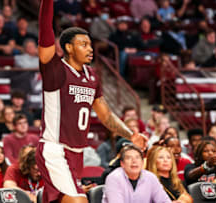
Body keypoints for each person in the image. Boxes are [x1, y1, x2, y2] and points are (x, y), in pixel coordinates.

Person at [36, 0, 147, 202]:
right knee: (79, 200)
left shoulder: (92, 75)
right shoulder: (55, 70)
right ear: (68, 48)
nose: (90, 49)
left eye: (90, 44)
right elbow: (45, 30)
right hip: (55, 150)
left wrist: (130, 135)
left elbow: (105, 114)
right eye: (83, 44)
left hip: (77, 153)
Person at [102, 144, 170, 202]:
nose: (134, 161)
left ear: (143, 162)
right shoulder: (113, 178)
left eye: (137, 157)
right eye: (129, 158)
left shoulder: (151, 177)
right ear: (122, 164)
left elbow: (164, 201)